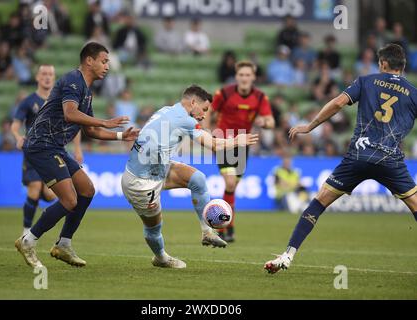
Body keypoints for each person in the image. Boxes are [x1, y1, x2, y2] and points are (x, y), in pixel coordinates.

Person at [264, 44, 417, 274]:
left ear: (382, 64)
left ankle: (287, 255)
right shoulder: (414, 93)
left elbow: (337, 103)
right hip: (390, 160)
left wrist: (310, 126)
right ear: (403, 66)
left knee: (319, 202)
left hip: (358, 156)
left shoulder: (366, 81)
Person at [14, 42, 140, 269]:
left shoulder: (87, 93)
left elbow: (90, 130)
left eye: (108, 62)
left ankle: (63, 244)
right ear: (89, 61)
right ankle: (28, 241)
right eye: (104, 61)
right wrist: (105, 121)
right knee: (69, 200)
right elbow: (70, 114)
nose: (107, 66)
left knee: (87, 190)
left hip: (56, 147)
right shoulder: (73, 80)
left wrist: (122, 136)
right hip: (41, 145)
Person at [121, 85, 259, 268]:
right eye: (204, 109)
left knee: (198, 179)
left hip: (158, 168)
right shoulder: (185, 120)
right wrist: (236, 140)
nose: (203, 115)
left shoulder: (167, 110)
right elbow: (214, 145)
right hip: (141, 182)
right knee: (154, 228)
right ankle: (161, 258)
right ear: (193, 102)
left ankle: (207, 232)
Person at [11, 64, 83, 237]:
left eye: (50, 74)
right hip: (34, 150)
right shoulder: (28, 101)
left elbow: (74, 124)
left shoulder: (61, 101)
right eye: (43, 73)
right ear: (37, 77)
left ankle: (39, 198)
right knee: (34, 188)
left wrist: (78, 148)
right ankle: (27, 230)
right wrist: (18, 137)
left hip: (54, 151)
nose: (47, 77)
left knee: (50, 196)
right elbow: (15, 125)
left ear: (54, 77)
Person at [211, 61, 275, 242]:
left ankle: (227, 227)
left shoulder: (260, 97)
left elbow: (270, 121)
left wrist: (265, 123)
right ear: (236, 76)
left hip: (243, 144)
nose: (245, 78)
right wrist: (207, 132)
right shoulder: (224, 93)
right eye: (241, 75)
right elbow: (209, 111)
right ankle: (223, 225)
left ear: (253, 77)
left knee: (232, 188)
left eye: (248, 75)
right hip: (224, 140)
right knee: (230, 183)